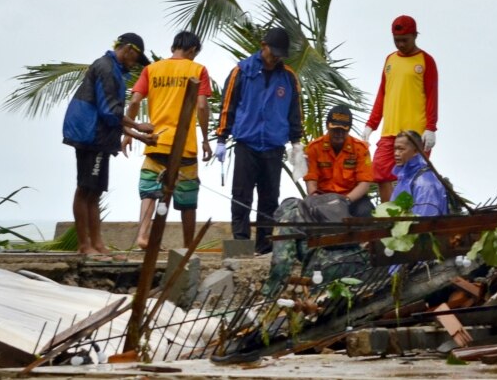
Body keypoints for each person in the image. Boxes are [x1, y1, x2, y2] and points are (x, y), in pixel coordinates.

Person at [62, 33, 157, 258]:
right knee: (85, 189)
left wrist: (139, 136)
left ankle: (98, 245)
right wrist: (138, 127)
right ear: (129, 50)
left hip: (99, 136)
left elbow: (110, 116)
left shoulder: (113, 70)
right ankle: (85, 246)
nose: (134, 65)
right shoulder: (106, 69)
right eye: (135, 59)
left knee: (94, 192)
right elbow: (109, 112)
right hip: (91, 136)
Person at [215, 27, 304, 254]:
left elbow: (295, 111)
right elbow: (228, 105)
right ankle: (240, 244)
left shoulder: (288, 77)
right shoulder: (242, 71)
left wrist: (296, 142)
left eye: (279, 54)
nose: (275, 57)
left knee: (269, 198)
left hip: (273, 146)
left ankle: (264, 246)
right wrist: (222, 138)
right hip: (247, 143)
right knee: (241, 196)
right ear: (263, 45)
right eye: (272, 51)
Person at [124, 31, 213, 249]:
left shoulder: (151, 69)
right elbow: (202, 106)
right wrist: (205, 139)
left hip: (156, 141)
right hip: (185, 145)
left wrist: (128, 131)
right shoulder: (198, 69)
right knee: (188, 198)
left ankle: (143, 236)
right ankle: (188, 245)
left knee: (149, 190)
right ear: (192, 50)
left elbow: (134, 101)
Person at [361, 15, 438, 202]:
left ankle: (412, 217)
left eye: (405, 40)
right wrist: (371, 124)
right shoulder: (390, 60)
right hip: (390, 130)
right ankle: (390, 217)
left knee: (414, 174)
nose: (401, 44)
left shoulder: (425, 61)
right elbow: (382, 93)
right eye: (397, 41)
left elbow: (432, 96)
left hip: (415, 133)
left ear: (415, 36)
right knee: (380, 171)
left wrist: (431, 128)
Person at [303, 105, 374, 217]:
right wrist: (315, 198)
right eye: (335, 129)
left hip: (352, 199)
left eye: (343, 130)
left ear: (349, 129)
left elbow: (364, 184)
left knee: (365, 212)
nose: (339, 134)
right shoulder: (314, 148)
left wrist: (346, 201)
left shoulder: (360, 149)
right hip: (323, 198)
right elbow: (311, 181)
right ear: (327, 126)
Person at [391, 130, 448, 216]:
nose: (396, 153)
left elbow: (425, 222)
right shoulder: (405, 177)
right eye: (395, 149)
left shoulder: (425, 183)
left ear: (416, 151)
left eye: (401, 149)